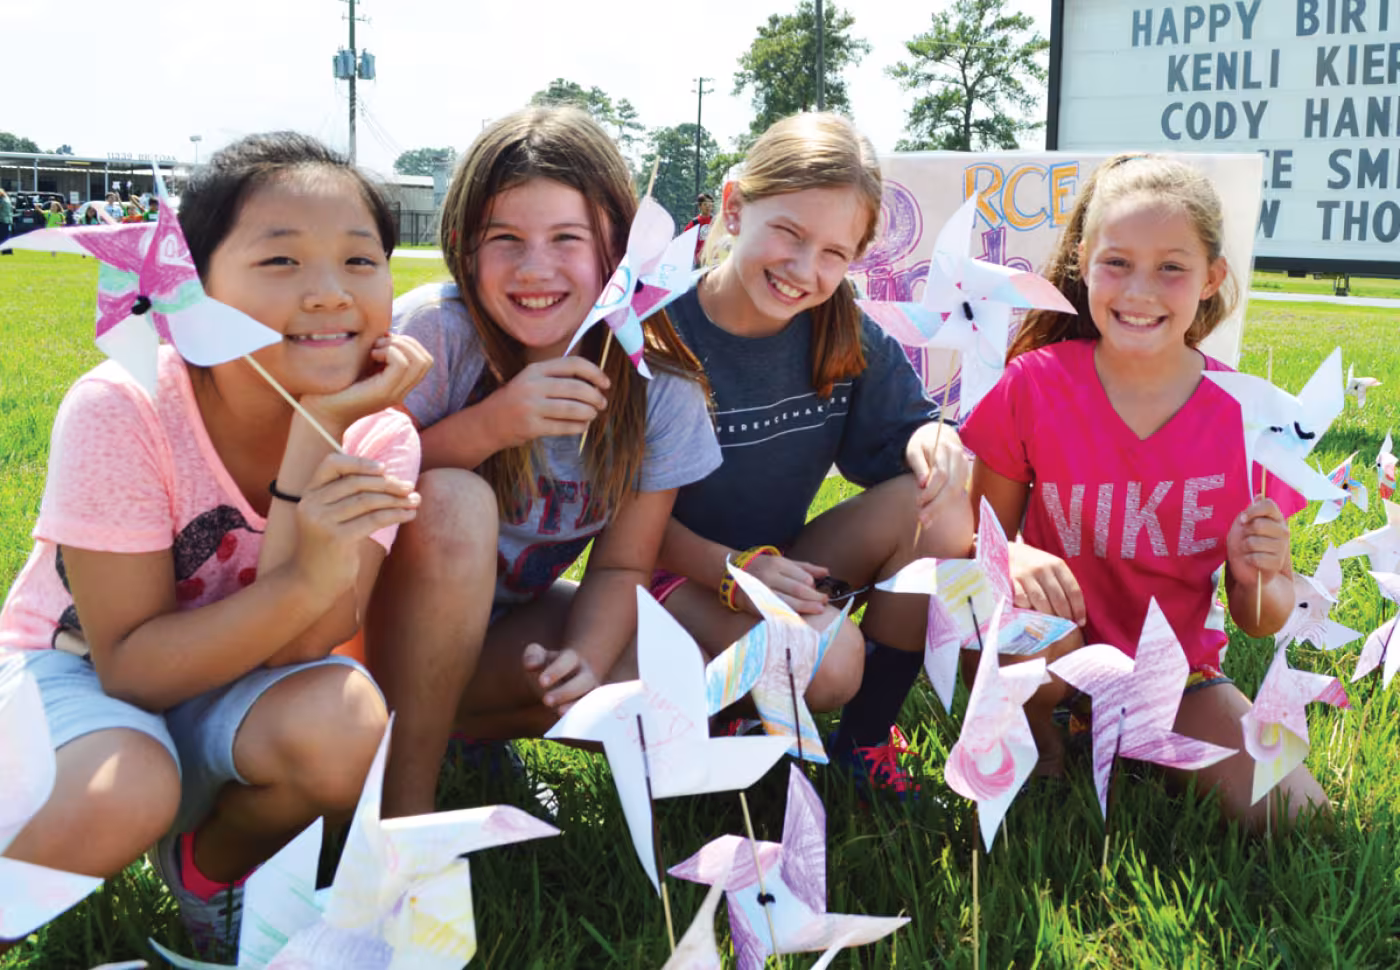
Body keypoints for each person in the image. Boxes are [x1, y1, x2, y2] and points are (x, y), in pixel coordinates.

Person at [0, 131, 436, 956]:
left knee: (344, 724)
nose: (328, 294)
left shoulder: (379, 435)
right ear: (192, 288)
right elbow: (128, 667)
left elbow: (306, 645)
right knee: (127, 786)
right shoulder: (124, 404)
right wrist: (310, 571)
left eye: (360, 260)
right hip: (75, 674)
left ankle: (210, 876)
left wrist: (319, 434)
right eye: (280, 263)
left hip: (237, 679)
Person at [369, 105, 721, 816]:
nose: (537, 268)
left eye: (568, 238)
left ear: (619, 249)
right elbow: (360, 492)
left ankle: (459, 738)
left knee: (651, 675)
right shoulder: (431, 335)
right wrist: (490, 425)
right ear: (465, 247)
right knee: (453, 500)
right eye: (506, 239)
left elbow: (623, 565)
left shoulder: (660, 391)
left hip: (499, 636)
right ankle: (402, 822)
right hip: (370, 641)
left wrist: (586, 659)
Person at [960, 153, 1325, 829]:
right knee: (1034, 640)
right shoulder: (1035, 384)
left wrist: (1261, 574)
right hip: (1050, 653)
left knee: (1295, 817)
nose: (1140, 290)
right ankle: (1047, 736)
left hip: (1173, 674)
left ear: (1212, 277)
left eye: (1172, 268)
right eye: (1117, 262)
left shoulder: (1249, 416)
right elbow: (975, 534)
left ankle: (1137, 736)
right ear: (1083, 263)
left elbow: (1261, 617)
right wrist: (1010, 554)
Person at [654, 112, 974, 799]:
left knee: (939, 505)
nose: (806, 269)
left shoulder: (841, 327)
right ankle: (735, 723)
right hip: (669, 579)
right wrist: (734, 570)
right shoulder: (661, 330)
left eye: (835, 252)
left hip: (781, 563)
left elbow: (913, 433)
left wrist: (936, 442)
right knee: (830, 663)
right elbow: (623, 518)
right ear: (735, 208)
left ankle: (864, 746)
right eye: (789, 233)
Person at [683, 191, 713, 267]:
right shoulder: (695, 222)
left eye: (710, 204)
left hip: (713, 260)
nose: (708, 206)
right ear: (699, 206)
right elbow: (685, 239)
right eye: (705, 204)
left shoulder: (715, 221)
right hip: (698, 260)